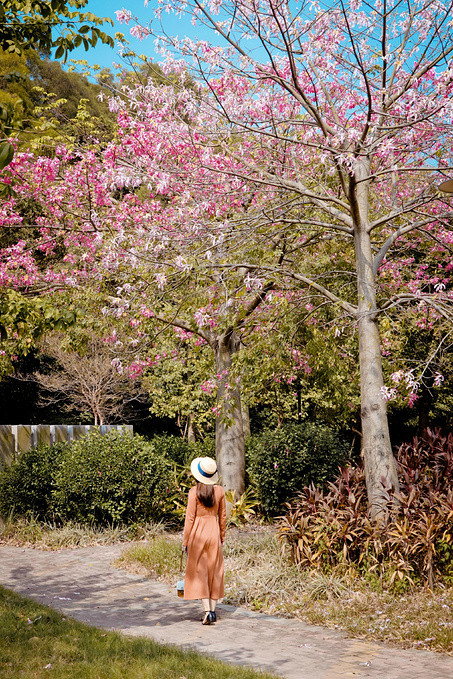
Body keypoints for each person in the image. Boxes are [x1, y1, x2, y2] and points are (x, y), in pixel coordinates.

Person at [182, 456, 226, 625]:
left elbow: (189, 519)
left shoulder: (194, 492)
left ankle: (207, 611)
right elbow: (223, 517)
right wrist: (222, 536)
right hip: (213, 530)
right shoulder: (220, 491)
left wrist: (185, 541)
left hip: (197, 534)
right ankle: (213, 612)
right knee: (215, 570)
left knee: (200, 571)